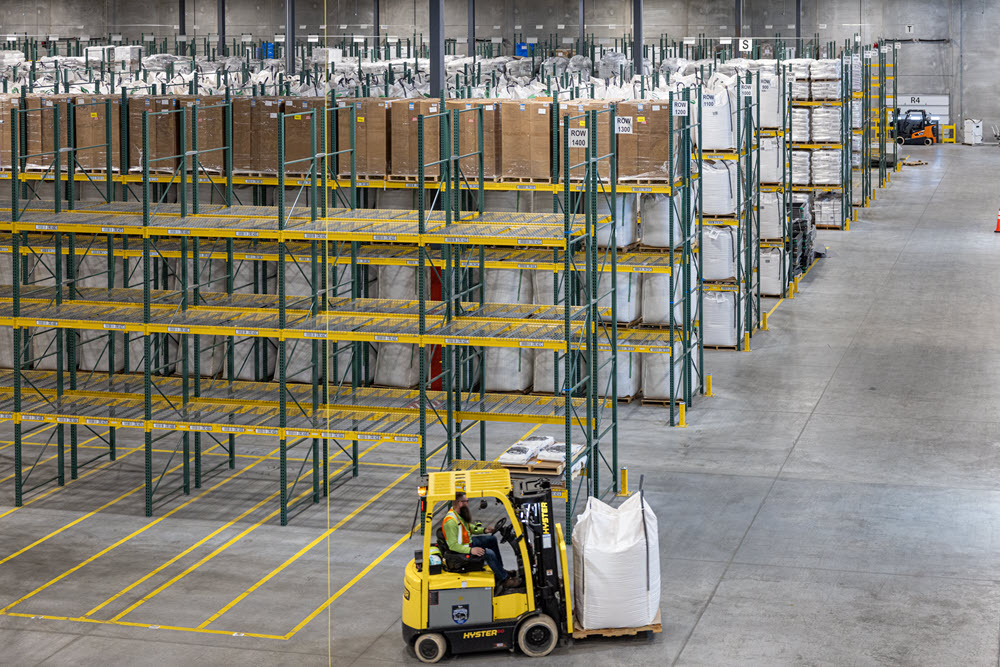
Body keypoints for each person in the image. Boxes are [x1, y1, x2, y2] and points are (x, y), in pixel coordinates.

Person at [443, 491, 520, 588]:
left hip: (467, 545)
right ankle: (504, 579)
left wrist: (484, 530)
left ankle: (500, 571)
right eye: (466, 501)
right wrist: (471, 550)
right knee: (489, 553)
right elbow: (453, 545)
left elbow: (468, 527)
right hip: (460, 552)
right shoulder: (450, 522)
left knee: (491, 539)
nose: (468, 504)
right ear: (460, 503)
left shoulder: (457, 514)